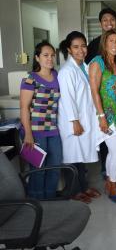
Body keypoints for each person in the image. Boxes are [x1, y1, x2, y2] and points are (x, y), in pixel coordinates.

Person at [89, 29, 116, 204]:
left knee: (114, 152)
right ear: (104, 43)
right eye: (111, 41)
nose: (115, 45)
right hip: (105, 114)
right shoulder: (97, 63)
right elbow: (94, 91)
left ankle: (108, 181)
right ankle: (113, 185)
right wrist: (101, 116)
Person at [58, 31, 101, 204]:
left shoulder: (85, 67)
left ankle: (83, 187)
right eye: (76, 47)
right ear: (69, 49)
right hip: (72, 121)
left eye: (83, 46)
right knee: (72, 158)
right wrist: (74, 121)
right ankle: (74, 191)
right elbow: (67, 98)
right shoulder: (67, 71)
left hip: (84, 119)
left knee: (81, 157)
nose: (81, 50)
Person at [20, 41, 62, 199]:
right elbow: (24, 107)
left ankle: (50, 199)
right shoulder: (30, 79)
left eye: (52, 55)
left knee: (55, 167)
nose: (50, 58)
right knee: (38, 170)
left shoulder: (57, 76)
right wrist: (28, 134)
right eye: (45, 55)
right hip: (35, 132)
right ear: (37, 58)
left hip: (53, 130)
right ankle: (37, 202)